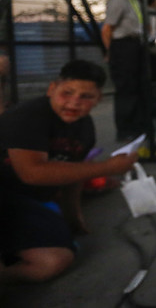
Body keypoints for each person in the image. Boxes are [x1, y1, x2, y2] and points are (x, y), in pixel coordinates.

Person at [0, 60, 138, 283]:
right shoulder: (27, 116)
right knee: (53, 258)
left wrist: (73, 217)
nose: (74, 103)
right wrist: (107, 168)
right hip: (7, 196)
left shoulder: (85, 127)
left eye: (86, 97)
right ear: (51, 89)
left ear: (98, 99)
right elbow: (32, 173)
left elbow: (76, 174)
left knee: (56, 259)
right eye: (67, 93)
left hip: (30, 203)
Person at [101, 0, 149, 142]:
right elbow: (107, 29)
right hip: (123, 45)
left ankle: (139, 124)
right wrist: (111, 51)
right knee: (126, 88)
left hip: (136, 44)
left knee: (139, 85)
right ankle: (125, 128)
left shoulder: (134, 1)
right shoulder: (119, 1)